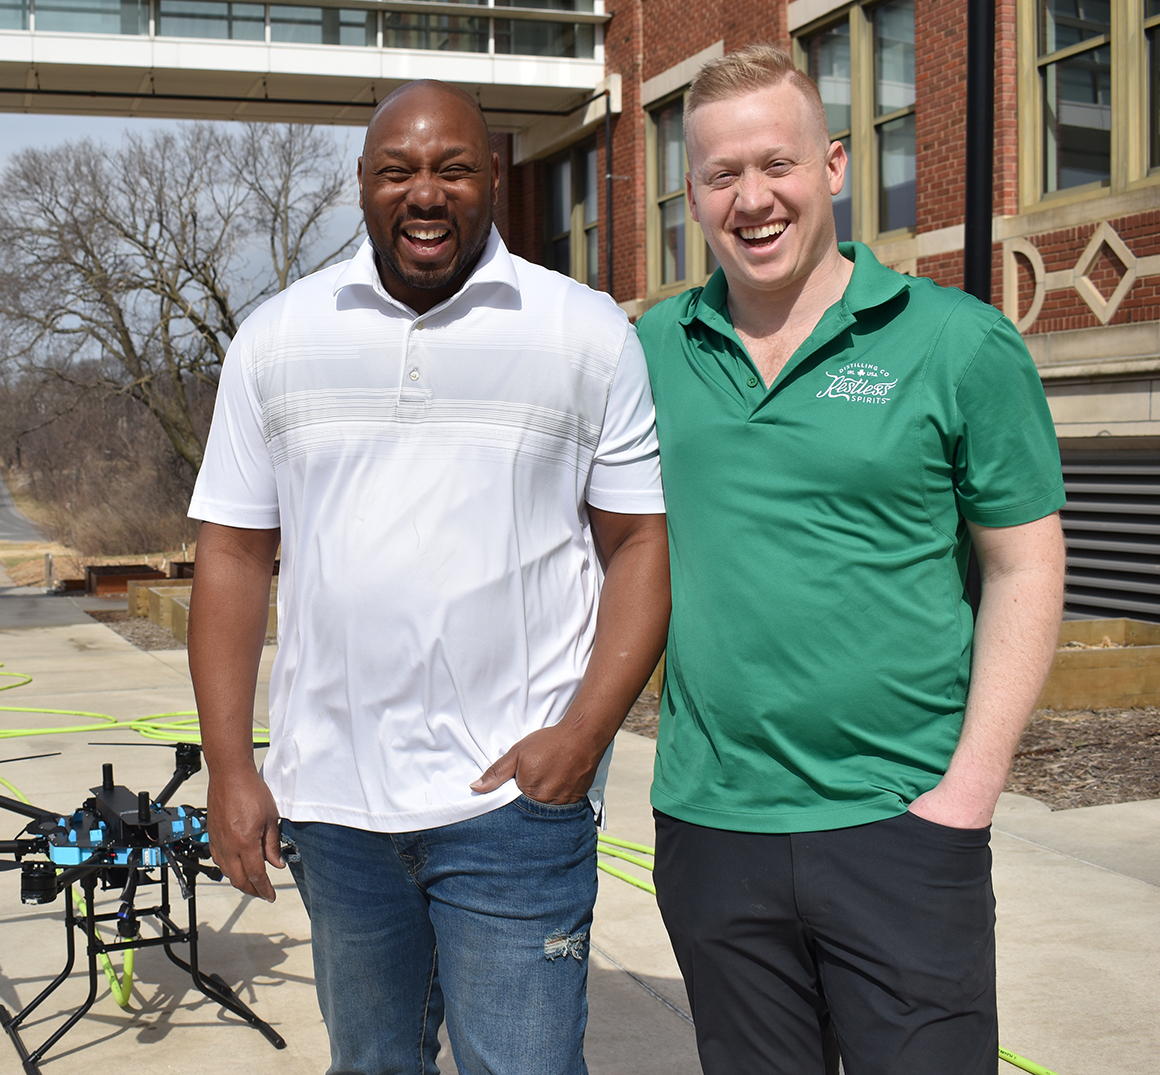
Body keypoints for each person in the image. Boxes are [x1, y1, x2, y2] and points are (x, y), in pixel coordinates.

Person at [186, 79, 670, 1075]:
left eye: (453, 169)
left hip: (513, 810)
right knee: (372, 1063)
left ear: (490, 177)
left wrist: (581, 740)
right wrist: (232, 767)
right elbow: (231, 555)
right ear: (361, 183)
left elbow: (638, 546)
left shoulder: (583, 332)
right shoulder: (278, 338)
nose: (425, 193)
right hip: (335, 807)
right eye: (397, 171)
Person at [635, 45, 1066, 1075]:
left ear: (832, 166)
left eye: (775, 164)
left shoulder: (957, 342)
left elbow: (1026, 566)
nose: (752, 199)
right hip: (714, 827)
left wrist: (965, 794)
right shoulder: (649, 353)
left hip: (902, 819)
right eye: (721, 175)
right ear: (691, 196)